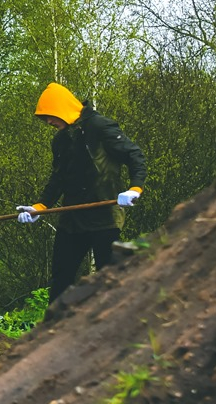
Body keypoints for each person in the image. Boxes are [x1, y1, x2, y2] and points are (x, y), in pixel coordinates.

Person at [17, 82, 147, 303]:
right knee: (61, 278)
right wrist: (40, 206)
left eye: (49, 115)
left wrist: (135, 188)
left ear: (61, 108)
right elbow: (58, 178)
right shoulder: (59, 141)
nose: (48, 122)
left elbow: (135, 155)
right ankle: (54, 332)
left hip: (105, 215)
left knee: (108, 280)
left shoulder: (100, 127)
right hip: (72, 219)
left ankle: (108, 331)